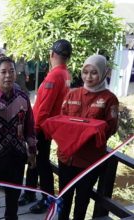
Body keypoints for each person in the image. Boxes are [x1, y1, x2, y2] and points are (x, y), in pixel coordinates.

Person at [58, 55, 118, 220]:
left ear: (103, 73)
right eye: (85, 72)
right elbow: (61, 121)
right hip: (66, 158)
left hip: (89, 161)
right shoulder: (72, 94)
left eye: (94, 73)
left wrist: (89, 133)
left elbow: (111, 127)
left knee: (82, 201)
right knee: (63, 199)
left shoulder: (109, 99)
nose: (88, 77)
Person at [19, 39, 72, 214]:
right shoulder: (66, 74)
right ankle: (30, 192)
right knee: (34, 160)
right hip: (49, 127)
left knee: (41, 163)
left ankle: (47, 198)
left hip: (41, 127)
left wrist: (33, 129)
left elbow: (44, 108)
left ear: (52, 54)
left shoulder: (54, 75)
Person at [0, 57, 36, 220]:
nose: (8, 76)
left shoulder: (23, 97)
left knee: (13, 198)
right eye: (3, 72)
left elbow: (30, 126)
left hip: (17, 156)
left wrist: (32, 151)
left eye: (11, 71)